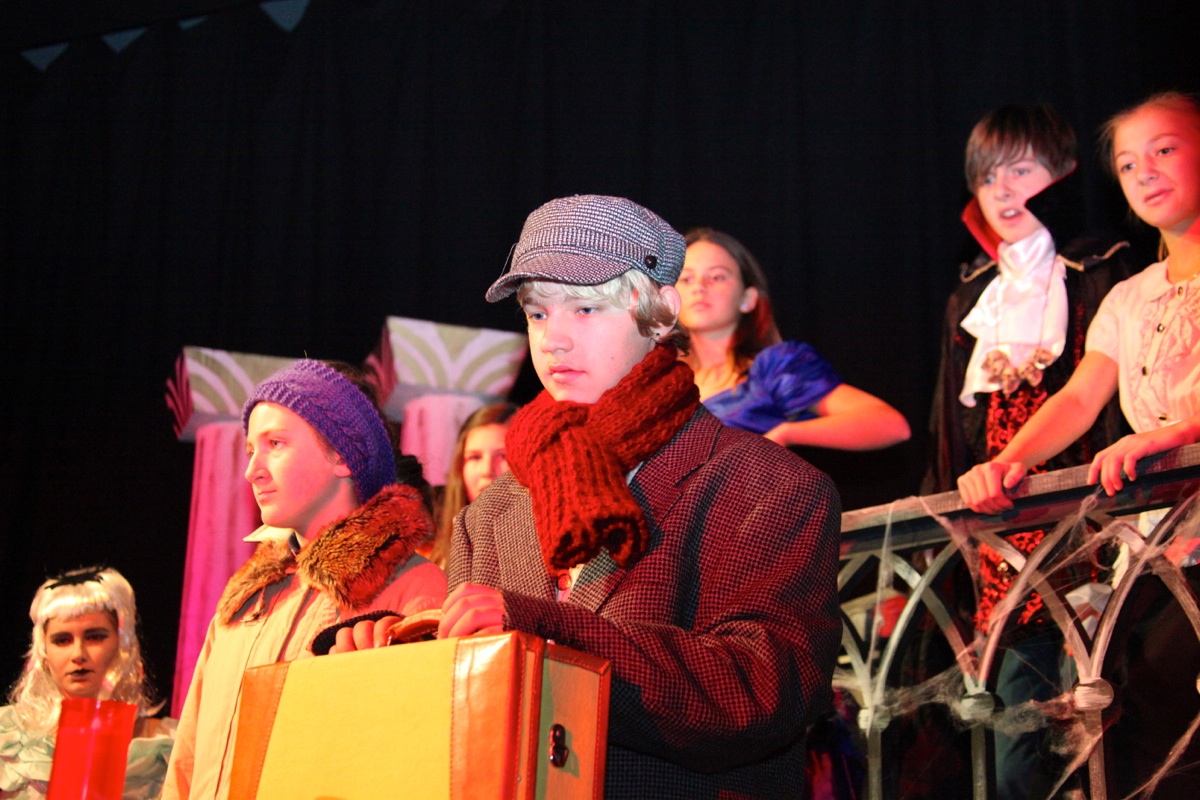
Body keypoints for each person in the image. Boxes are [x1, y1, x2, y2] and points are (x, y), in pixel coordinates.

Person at [335, 194, 842, 798]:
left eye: (584, 308)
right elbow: (469, 722)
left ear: (661, 313)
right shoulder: (489, 514)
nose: (554, 340)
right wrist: (399, 656)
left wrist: (544, 635)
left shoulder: (770, 483)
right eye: (537, 313)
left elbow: (759, 692)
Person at [957, 91, 1200, 798]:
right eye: (1127, 163)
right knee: (1150, 744)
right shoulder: (1129, 297)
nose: (1144, 171)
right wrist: (1007, 462)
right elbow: (1078, 397)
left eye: (1164, 149)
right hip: (1159, 551)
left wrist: (1184, 432)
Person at [924, 104, 1135, 800]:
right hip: (1003, 547)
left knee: (1109, 734)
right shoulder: (972, 295)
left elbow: (1100, 400)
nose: (1004, 190)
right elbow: (950, 429)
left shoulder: (1103, 270)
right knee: (1016, 759)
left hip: (1093, 530)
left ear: (1064, 175)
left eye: (1021, 170)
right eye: (988, 178)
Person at [164, 359, 446, 800]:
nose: (252, 470)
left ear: (342, 455)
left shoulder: (416, 590)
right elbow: (187, 760)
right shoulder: (245, 598)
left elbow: (420, 765)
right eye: (251, 450)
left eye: (275, 443)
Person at [679, 227, 911, 450]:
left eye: (717, 277)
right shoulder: (667, 378)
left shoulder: (775, 369)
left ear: (748, 298)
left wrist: (786, 433)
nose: (699, 287)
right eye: (686, 279)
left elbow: (890, 425)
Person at [1, 566, 174, 799]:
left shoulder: (166, 744)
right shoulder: (8, 737)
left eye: (94, 637)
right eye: (62, 640)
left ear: (123, 644)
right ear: (44, 652)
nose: (78, 654)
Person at [423, 402, 518, 568]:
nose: (486, 470)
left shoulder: (541, 548)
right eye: (475, 457)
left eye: (503, 456)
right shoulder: (431, 550)